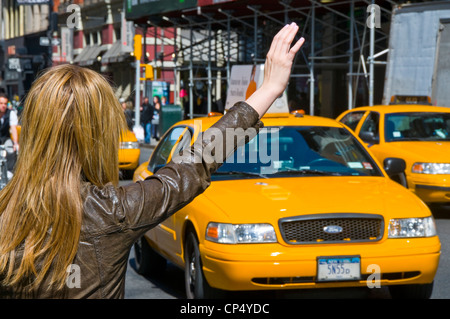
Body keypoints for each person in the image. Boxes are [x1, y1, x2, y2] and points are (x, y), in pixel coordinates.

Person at [0, 23, 304, 298]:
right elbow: (194, 163)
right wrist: (268, 89)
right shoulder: (110, 211)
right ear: (99, 135)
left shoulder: (5, 211)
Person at [0, 93, 19, 172]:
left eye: (5, 103)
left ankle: (10, 172)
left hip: (5, 138)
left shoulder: (11, 113)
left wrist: (15, 143)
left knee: (11, 150)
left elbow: (13, 129)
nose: (3, 105)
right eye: (1, 103)